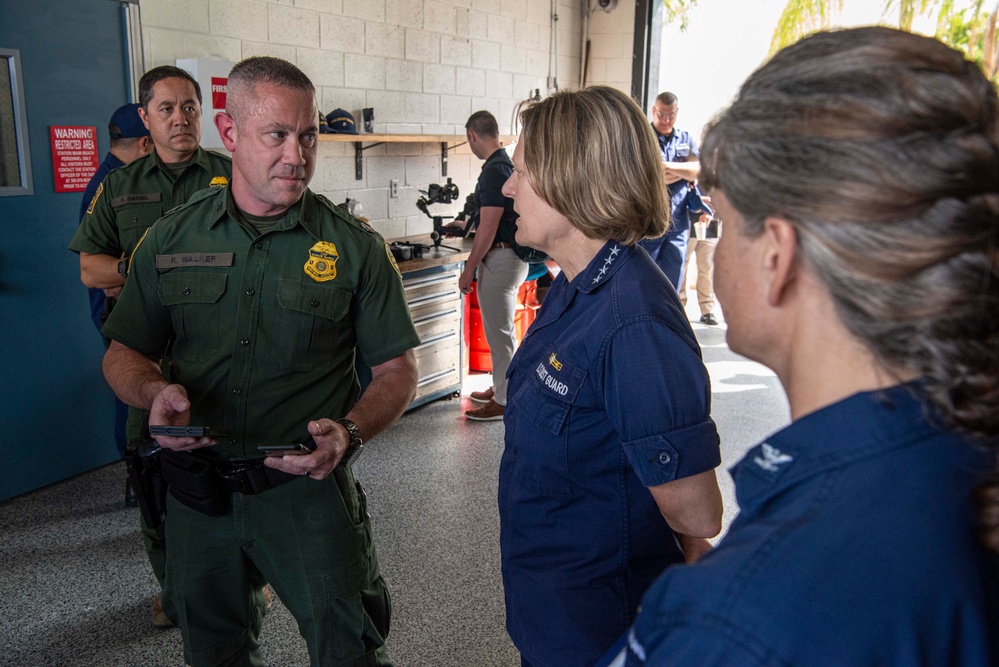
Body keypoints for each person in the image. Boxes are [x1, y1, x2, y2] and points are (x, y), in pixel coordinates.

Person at [610, 27, 999, 666]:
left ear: (777, 255)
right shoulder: (954, 457)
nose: (720, 239)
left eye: (725, 221)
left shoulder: (733, 622)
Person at [101, 56, 420, 666]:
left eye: (308, 136)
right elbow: (125, 353)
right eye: (277, 135)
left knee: (348, 649)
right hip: (199, 495)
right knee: (213, 651)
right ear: (230, 133)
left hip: (307, 491)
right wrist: (152, 393)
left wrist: (349, 433)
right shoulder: (170, 240)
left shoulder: (354, 250)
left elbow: (397, 372)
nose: (296, 155)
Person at [498, 85, 724, 667]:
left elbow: (697, 515)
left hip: (602, 630)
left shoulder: (634, 323)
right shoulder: (577, 283)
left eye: (520, 171)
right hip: (552, 606)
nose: (507, 187)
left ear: (570, 180)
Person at [69, 65, 233, 627]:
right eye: (166, 109)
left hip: (222, 350)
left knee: (229, 462)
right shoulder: (118, 187)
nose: (181, 118)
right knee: (155, 473)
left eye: (189, 106)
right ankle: (172, 587)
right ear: (146, 119)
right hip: (148, 355)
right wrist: (140, 267)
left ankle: (244, 581)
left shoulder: (232, 176)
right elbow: (91, 270)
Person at [76, 103, 151, 475]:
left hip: (128, 304)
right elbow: (95, 269)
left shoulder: (116, 175)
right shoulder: (111, 185)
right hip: (117, 308)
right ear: (145, 144)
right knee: (131, 384)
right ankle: (135, 466)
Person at [459, 110, 529, 421]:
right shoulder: (505, 164)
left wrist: (469, 267)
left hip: (500, 258)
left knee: (499, 334)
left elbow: (488, 227)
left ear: (473, 136)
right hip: (509, 258)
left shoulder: (492, 172)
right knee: (498, 333)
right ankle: (500, 385)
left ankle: (503, 400)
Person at [639, 91, 701, 291]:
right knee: (644, 280)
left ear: (677, 112)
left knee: (672, 283)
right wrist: (682, 170)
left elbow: (697, 171)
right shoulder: (643, 138)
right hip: (650, 222)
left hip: (678, 224)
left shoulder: (686, 139)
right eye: (661, 114)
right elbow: (650, 174)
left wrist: (666, 167)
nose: (666, 119)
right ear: (653, 111)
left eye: (671, 115)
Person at [678, 188, 720, 326]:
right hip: (686, 220)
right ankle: (679, 307)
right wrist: (700, 203)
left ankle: (707, 310)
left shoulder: (718, 168)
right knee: (682, 266)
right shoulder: (688, 166)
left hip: (710, 222)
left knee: (707, 267)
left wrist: (710, 210)